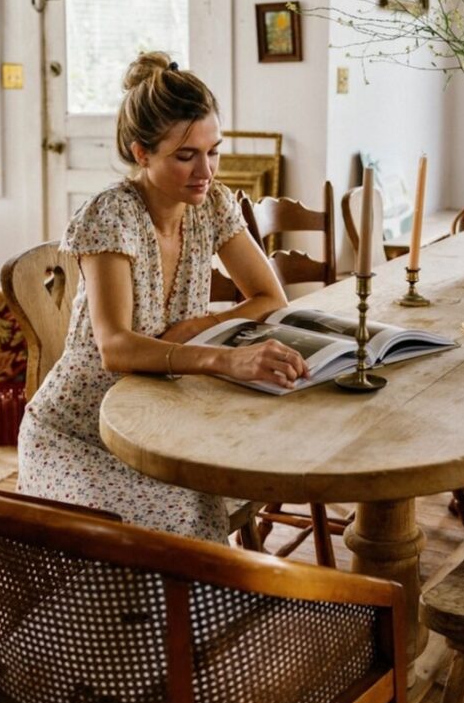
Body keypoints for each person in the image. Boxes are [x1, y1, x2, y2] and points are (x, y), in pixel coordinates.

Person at [17, 51, 309, 543]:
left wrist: (194, 327)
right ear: (141, 153)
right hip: (82, 432)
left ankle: (184, 617)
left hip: (163, 421)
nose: (206, 171)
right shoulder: (113, 216)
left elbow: (267, 295)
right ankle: (148, 618)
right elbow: (117, 348)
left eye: (213, 150)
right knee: (180, 520)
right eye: (186, 155)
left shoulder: (211, 204)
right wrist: (224, 360)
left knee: (243, 476)